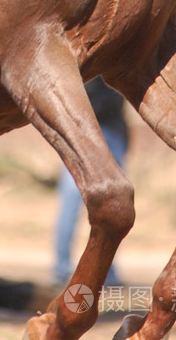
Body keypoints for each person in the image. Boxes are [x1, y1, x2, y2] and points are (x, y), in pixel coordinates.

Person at [54, 77, 129, 287]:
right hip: (93, 128)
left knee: (110, 205)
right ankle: (67, 268)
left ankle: (70, 268)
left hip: (92, 128)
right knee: (106, 204)